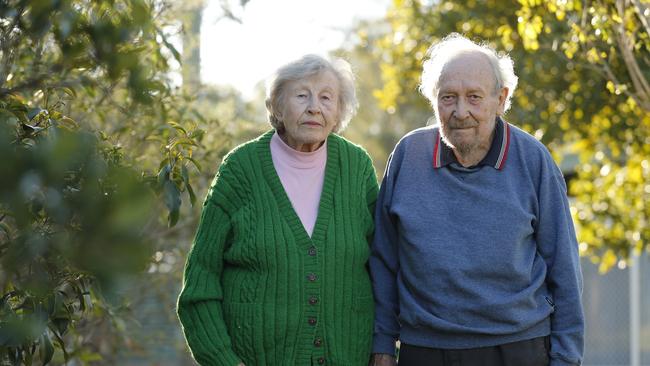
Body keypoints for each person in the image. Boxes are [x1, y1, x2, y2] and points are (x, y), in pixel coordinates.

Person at [369, 33, 584, 366]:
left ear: (500, 99)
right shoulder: (407, 156)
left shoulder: (533, 160)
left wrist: (567, 358)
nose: (460, 111)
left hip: (517, 348)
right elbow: (384, 259)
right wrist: (382, 342)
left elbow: (564, 269)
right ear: (433, 101)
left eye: (474, 97)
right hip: (425, 349)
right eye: (448, 97)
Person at [177, 54, 378, 366]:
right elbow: (200, 285)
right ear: (276, 107)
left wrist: (382, 350)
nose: (314, 106)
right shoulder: (241, 169)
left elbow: (384, 267)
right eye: (301, 95)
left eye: (326, 97)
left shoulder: (357, 168)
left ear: (339, 111)